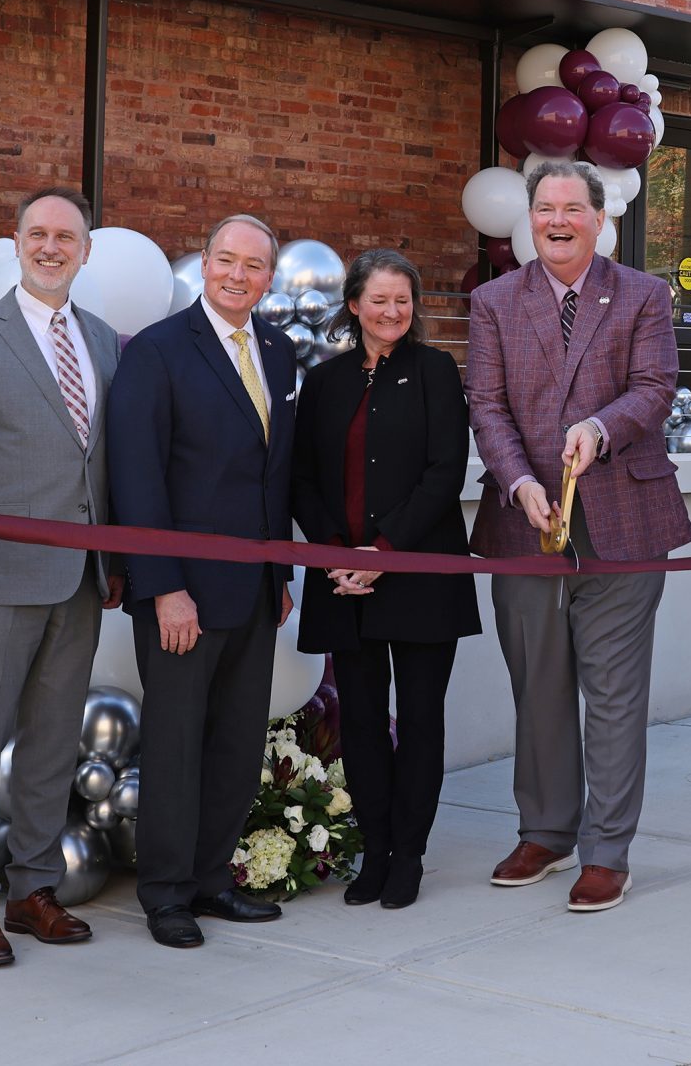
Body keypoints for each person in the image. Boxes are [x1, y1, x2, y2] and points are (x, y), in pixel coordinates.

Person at [465, 159, 691, 913]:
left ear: (600, 218)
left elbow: (655, 389)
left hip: (624, 521)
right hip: (524, 521)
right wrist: (519, 483)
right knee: (539, 686)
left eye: (571, 207)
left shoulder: (643, 295)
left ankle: (606, 849)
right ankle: (546, 830)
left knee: (615, 695)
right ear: (528, 219)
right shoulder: (495, 300)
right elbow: (486, 405)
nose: (556, 220)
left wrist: (598, 428)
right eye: (544, 208)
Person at [0, 187, 123, 966]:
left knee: (51, 743)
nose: (51, 247)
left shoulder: (106, 341)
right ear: (16, 243)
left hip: (81, 579)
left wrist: (114, 560)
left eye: (66, 236)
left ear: (86, 249)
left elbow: (102, 461)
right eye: (37, 234)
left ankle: (33, 887)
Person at [107, 213, 299, 949]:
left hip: (253, 590)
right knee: (177, 744)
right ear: (205, 263)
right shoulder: (158, 350)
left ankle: (214, 879)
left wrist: (280, 572)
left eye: (254, 266)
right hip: (181, 594)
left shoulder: (278, 352)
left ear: (269, 278)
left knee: (236, 742)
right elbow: (137, 475)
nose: (238, 275)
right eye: (226, 260)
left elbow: (272, 477)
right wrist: (162, 587)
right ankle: (165, 894)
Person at [291, 248, 479, 911]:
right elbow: (303, 480)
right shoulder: (324, 381)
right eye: (379, 300)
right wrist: (340, 554)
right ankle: (374, 850)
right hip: (342, 577)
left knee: (421, 720)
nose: (392, 311)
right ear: (353, 306)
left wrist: (382, 550)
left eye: (403, 300)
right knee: (364, 722)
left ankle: (409, 855)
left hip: (419, 574)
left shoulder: (436, 371)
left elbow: (444, 473)